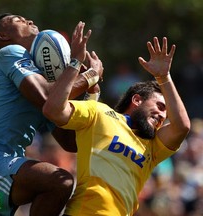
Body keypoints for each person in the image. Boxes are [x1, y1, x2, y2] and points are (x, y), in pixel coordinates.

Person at [0, 13, 102, 215]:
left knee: (59, 184)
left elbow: (70, 142)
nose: (30, 21)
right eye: (18, 20)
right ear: (3, 36)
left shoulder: (43, 84)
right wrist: (83, 70)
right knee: (59, 182)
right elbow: (46, 96)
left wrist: (90, 95)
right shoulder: (9, 52)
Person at [43, 37, 191, 215]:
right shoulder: (99, 113)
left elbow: (182, 126)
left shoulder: (153, 146)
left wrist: (164, 77)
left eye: (166, 114)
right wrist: (84, 71)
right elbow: (53, 109)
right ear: (136, 100)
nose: (162, 116)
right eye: (159, 107)